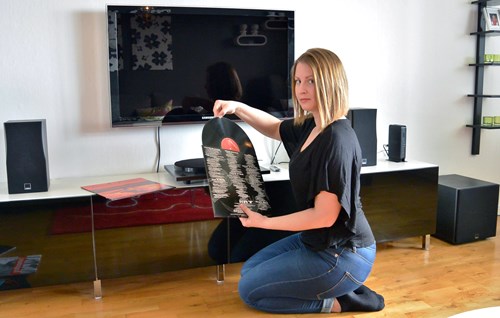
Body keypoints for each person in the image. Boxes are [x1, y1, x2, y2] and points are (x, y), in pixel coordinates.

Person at [212, 48, 384, 314]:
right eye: (298, 81)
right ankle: (340, 288)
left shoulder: (336, 139)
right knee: (248, 271)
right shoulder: (312, 125)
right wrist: (237, 107)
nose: (301, 88)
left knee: (250, 293)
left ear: (330, 83)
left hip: (344, 253)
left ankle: (343, 301)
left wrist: (265, 223)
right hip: (317, 241)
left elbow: (324, 216)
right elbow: (273, 127)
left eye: (311, 81)